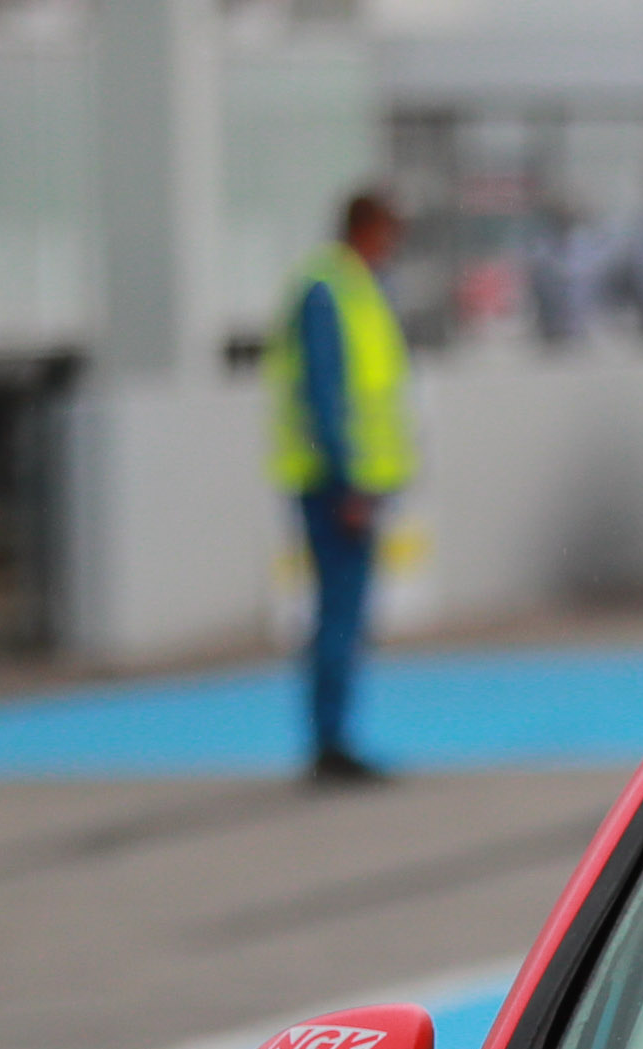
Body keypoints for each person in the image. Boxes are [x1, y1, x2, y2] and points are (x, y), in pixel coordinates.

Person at [266, 190, 413, 787]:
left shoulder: (356, 287)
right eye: (388, 234)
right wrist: (348, 481)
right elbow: (325, 394)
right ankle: (329, 740)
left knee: (346, 615)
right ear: (367, 229)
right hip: (337, 486)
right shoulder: (330, 290)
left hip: (355, 482)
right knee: (338, 615)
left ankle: (335, 736)